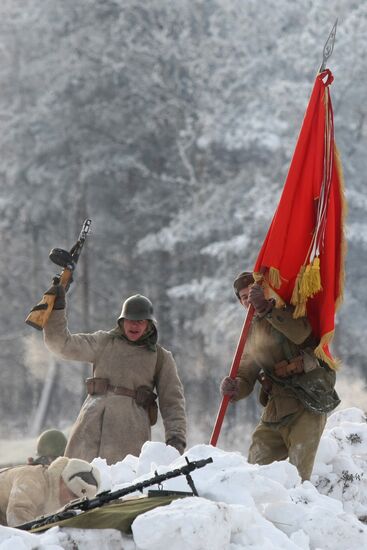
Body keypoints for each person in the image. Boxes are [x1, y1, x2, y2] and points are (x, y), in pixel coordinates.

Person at [43, 286, 187, 465]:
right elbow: (62, 344)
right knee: (76, 483)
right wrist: (57, 308)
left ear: (149, 324)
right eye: (130, 320)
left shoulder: (160, 358)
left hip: (130, 434)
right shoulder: (104, 342)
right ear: (122, 321)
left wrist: (175, 440)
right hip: (90, 426)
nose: (134, 325)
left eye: (140, 321)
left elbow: (173, 404)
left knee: (122, 485)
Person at [220, 271, 340, 481]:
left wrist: (268, 310)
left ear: (264, 292)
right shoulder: (251, 332)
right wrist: (235, 387)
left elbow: (301, 333)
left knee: (298, 478)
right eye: (244, 297)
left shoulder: (289, 309)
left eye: (253, 293)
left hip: (307, 403)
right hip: (276, 409)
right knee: (253, 473)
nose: (249, 300)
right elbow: (246, 373)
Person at [0, 456, 100, 527]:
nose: (72, 500)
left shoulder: (53, 491)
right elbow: (18, 518)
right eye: (72, 494)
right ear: (62, 480)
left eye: (78, 499)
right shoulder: (33, 480)